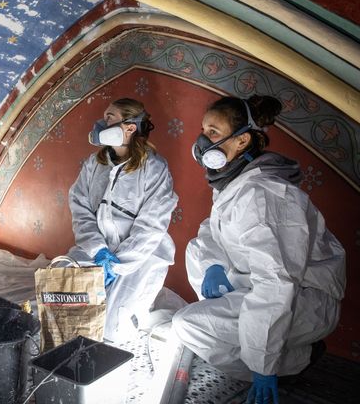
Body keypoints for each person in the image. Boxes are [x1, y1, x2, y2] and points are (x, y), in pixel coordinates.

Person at [172, 95, 346, 404]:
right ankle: (266, 347)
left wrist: (262, 365)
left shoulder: (265, 195)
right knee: (199, 256)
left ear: (241, 141)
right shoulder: (238, 183)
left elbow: (277, 281)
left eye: (213, 132)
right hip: (264, 282)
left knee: (187, 325)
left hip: (304, 298)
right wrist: (212, 263)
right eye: (204, 130)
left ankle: (289, 362)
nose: (202, 140)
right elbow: (213, 230)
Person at [66, 98, 178, 344]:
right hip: (97, 251)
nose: (101, 123)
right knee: (63, 296)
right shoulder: (94, 164)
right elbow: (80, 207)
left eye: (109, 118)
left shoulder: (154, 168)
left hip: (140, 258)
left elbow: (152, 225)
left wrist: (118, 265)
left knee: (112, 327)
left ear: (129, 127)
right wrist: (99, 251)